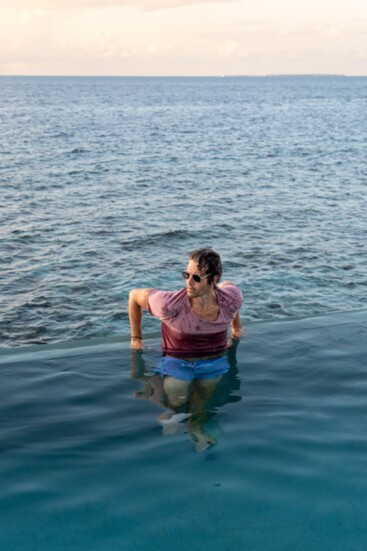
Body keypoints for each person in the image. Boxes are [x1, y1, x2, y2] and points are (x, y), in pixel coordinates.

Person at [128, 248, 243, 450]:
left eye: (196, 277)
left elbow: (231, 292)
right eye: (186, 275)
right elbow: (134, 296)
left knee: (204, 394)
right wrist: (136, 337)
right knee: (176, 394)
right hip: (177, 360)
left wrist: (236, 327)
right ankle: (178, 415)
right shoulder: (169, 304)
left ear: (214, 279)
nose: (188, 282)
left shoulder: (230, 299)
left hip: (213, 360)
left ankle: (195, 425)